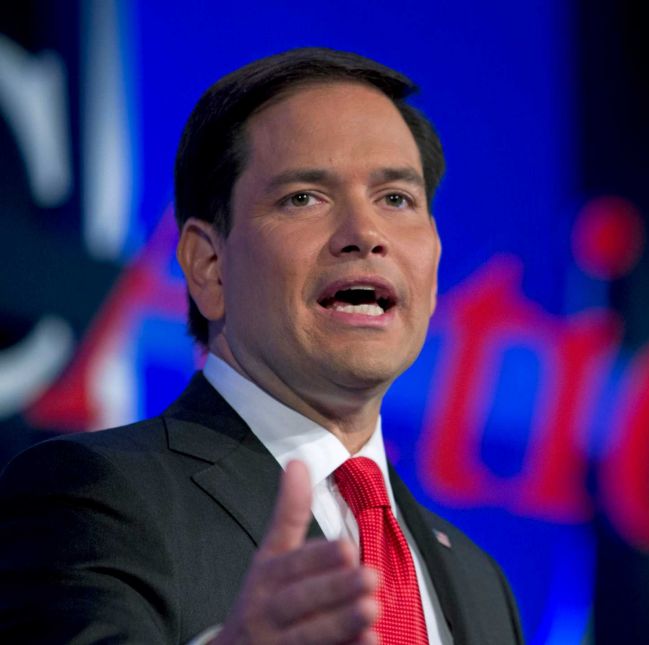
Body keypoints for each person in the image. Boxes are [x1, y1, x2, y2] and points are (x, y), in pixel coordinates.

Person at [0, 48, 523, 644]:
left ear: (433, 269)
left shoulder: (480, 581)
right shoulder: (92, 499)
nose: (365, 234)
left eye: (396, 199)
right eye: (304, 197)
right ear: (209, 267)